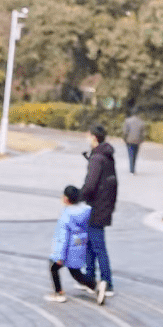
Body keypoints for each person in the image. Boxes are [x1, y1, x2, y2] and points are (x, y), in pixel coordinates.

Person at [47, 185, 105, 304]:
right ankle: (96, 286)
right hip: (79, 246)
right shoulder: (86, 210)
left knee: (53, 267)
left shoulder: (66, 216)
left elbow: (63, 238)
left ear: (66, 199)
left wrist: (60, 257)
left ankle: (59, 293)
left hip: (67, 250)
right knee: (76, 273)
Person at [79, 123, 117, 296]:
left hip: (97, 207)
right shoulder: (107, 156)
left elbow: (90, 184)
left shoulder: (97, 158)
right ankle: (89, 278)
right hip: (104, 205)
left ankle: (107, 282)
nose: (87, 138)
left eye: (88, 135)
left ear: (94, 137)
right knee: (89, 244)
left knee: (98, 246)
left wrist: (77, 196)